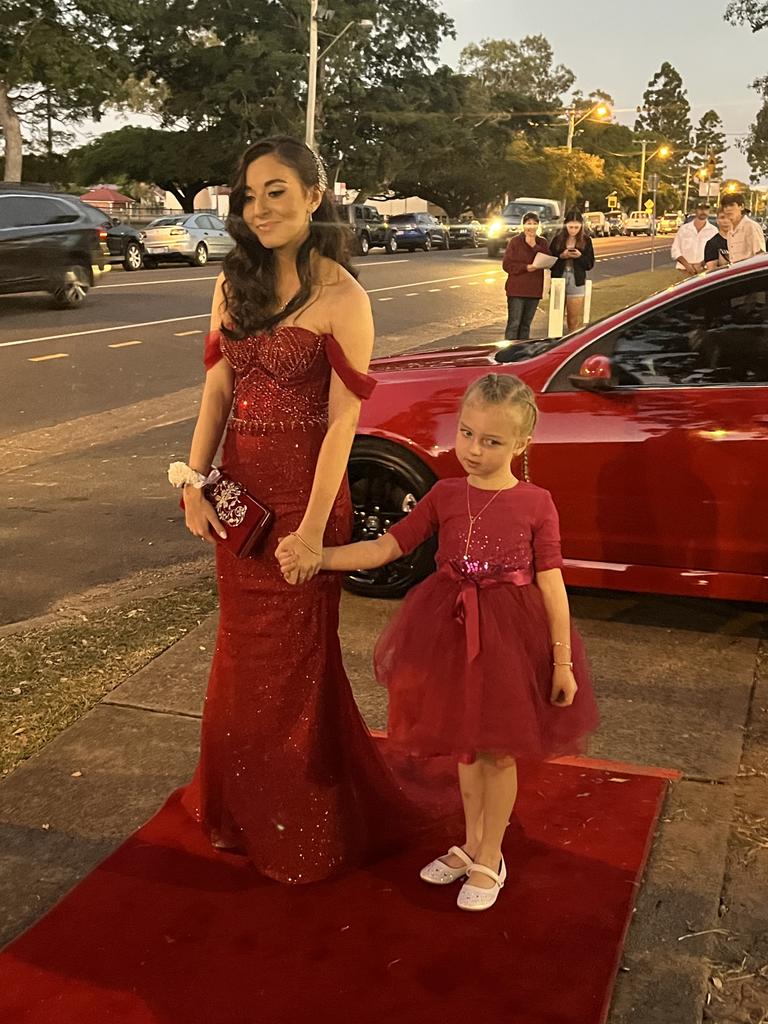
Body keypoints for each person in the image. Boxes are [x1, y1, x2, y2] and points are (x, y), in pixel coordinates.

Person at [172, 135, 425, 883]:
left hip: (305, 503)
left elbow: (343, 422)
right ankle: (239, 807)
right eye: (249, 195)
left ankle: (301, 825)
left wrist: (312, 533)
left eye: (276, 190)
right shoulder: (233, 283)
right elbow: (217, 392)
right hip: (237, 499)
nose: (260, 208)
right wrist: (194, 479)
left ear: (315, 196)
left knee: (294, 670)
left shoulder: (345, 296)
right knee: (241, 660)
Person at [282, 373, 599, 911]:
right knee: (466, 748)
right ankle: (472, 843)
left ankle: (492, 855)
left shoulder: (536, 503)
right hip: (450, 632)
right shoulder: (445, 494)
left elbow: (551, 582)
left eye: (493, 441)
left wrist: (561, 660)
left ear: (521, 444)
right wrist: (323, 558)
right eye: (468, 434)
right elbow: (388, 547)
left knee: (498, 752)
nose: (475, 450)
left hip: (510, 639)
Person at [502, 213, 551, 341]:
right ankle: (509, 353)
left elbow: (548, 260)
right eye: (529, 223)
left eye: (535, 224)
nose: (531, 227)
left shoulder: (542, 242)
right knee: (514, 323)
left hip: (533, 289)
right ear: (523, 225)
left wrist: (533, 245)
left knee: (525, 325)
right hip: (517, 289)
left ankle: (522, 353)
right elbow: (507, 265)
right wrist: (525, 267)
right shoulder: (515, 241)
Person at [549, 209, 595, 332]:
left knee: (573, 319)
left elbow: (589, 264)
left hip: (576, 279)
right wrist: (561, 256)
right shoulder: (557, 240)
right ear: (565, 225)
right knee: (556, 316)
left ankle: (571, 341)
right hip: (559, 277)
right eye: (570, 227)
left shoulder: (586, 241)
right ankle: (556, 342)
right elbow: (550, 262)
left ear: (581, 226)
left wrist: (579, 256)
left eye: (576, 227)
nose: (573, 230)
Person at [670, 202, 718, 277]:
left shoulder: (713, 231)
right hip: (683, 270)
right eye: (700, 209)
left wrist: (701, 264)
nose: (703, 212)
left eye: (706, 209)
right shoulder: (684, 229)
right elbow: (675, 250)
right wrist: (687, 265)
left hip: (704, 271)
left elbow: (715, 252)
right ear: (695, 211)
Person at [721, 192, 766, 264]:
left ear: (741, 206)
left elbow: (760, 256)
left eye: (731, 205)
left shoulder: (751, 226)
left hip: (749, 272)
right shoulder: (730, 231)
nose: (728, 209)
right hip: (736, 273)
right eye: (725, 206)